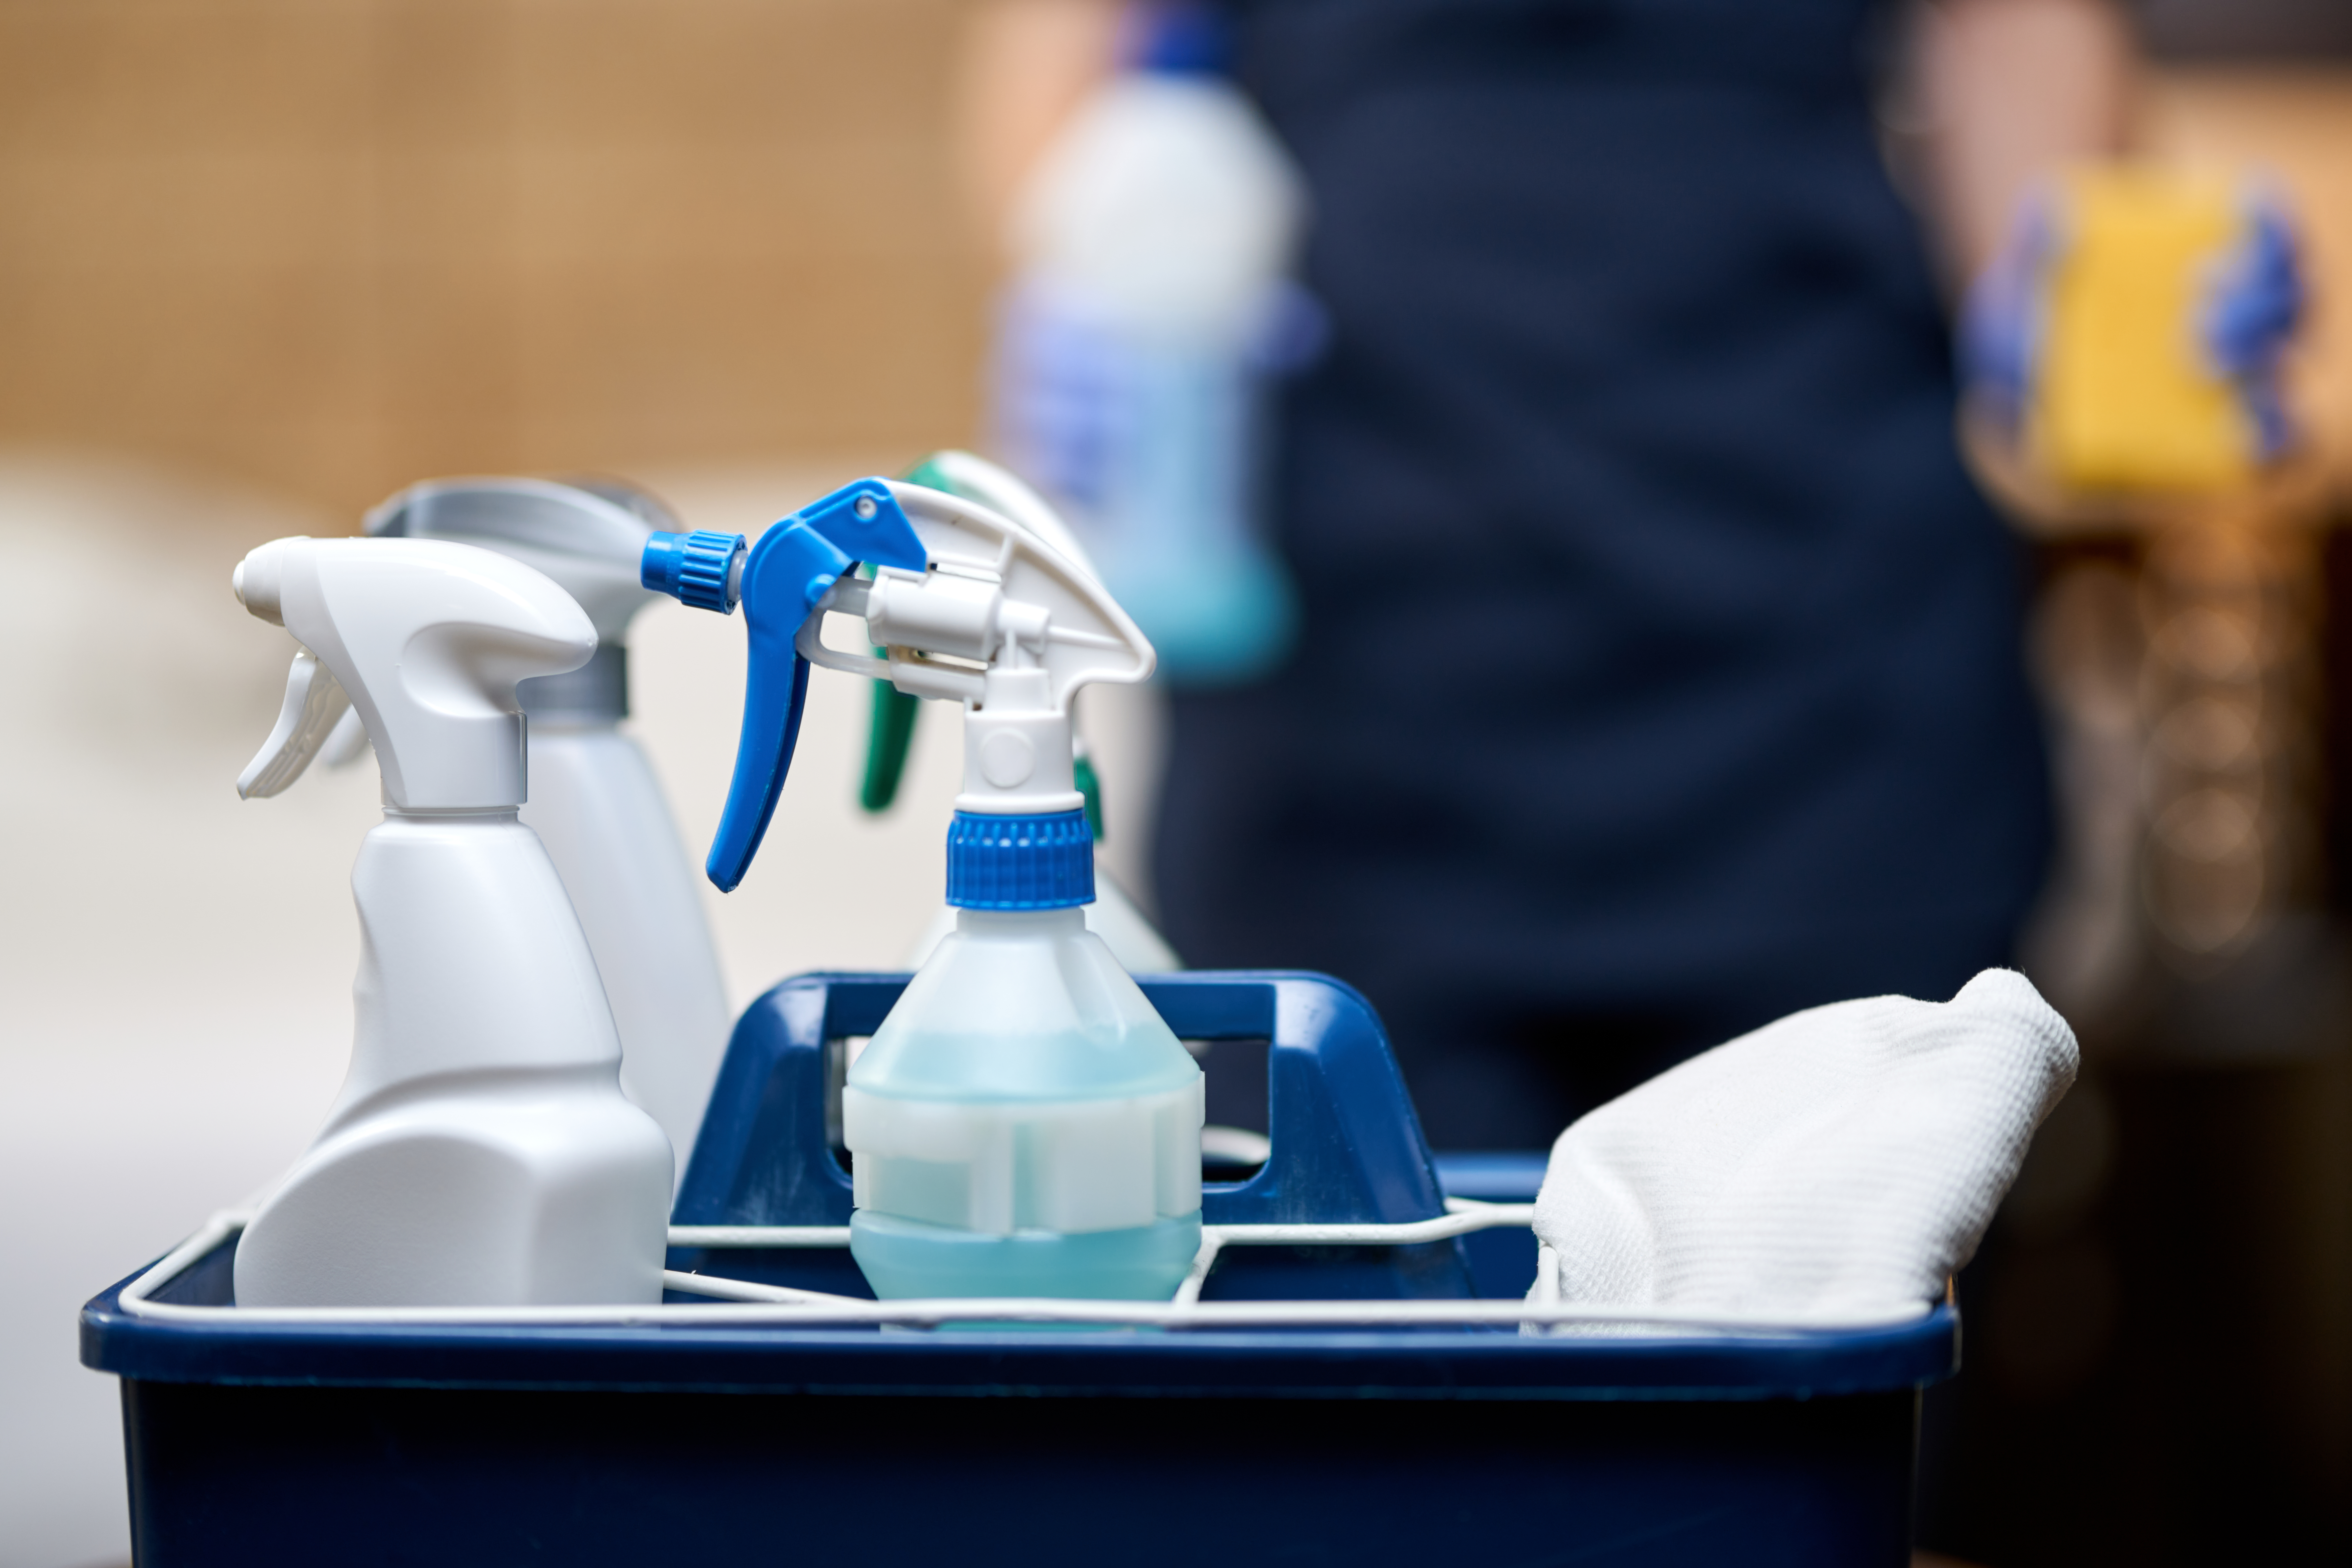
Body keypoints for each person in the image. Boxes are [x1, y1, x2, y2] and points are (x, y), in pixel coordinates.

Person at [959, 0, 2137, 1148]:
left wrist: (2081, 315)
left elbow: (2012, 36)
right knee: (1369, 1332)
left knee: (1813, 1330)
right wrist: (1086, 283)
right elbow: (1068, 45)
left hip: (1828, 712)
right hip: (1345, 751)